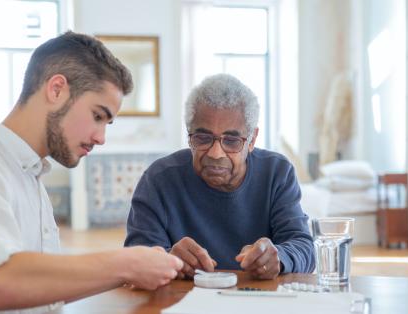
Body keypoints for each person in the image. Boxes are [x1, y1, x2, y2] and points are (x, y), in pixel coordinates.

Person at [0, 31, 182, 313]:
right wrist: (126, 263)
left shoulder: (26, 174)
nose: (101, 138)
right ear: (56, 89)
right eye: (98, 116)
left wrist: (138, 269)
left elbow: (36, 293)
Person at [124, 74, 315, 280]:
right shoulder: (158, 180)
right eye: (203, 138)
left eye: (232, 140)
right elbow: (134, 260)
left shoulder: (277, 173)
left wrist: (279, 257)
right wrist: (169, 259)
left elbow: (304, 247)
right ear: (189, 135)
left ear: (252, 140)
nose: (216, 153)